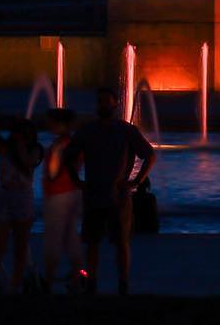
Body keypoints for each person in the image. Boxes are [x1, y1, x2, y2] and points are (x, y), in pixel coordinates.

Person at [62, 87, 156, 295]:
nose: (103, 105)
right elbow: (67, 156)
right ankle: (93, 283)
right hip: (95, 194)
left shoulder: (126, 130)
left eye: (107, 101)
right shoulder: (88, 131)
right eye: (100, 101)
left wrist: (136, 181)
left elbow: (149, 155)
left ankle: (122, 284)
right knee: (94, 242)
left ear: (115, 105)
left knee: (120, 242)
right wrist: (77, 179)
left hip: (117, 196)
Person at [0, 115, 44, 289]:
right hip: (4, 196)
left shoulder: (35, 150)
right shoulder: (5, 148)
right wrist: (9, 122)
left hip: (22, 198)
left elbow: (26, 163)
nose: (20, 134)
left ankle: (15, 285)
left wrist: (18, 142)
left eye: (24, 132)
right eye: (18, 131)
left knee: (20, 246)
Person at [41, 108, 85, 290]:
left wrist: (51, 172)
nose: (48, 125)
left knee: (54, 236)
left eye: (51, 122)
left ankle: (49, 278)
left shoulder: (60, 145)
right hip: (73, 193)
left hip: (58, 195)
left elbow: (53, 173)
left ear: (61, 124)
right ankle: (78, 274)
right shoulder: (75, 143)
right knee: (70, 235)